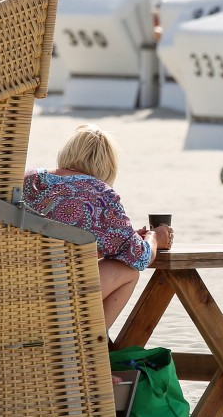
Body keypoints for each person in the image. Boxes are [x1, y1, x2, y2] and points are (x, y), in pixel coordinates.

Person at [22, 124, 172, 329]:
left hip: (17, 290)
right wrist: (155, 236)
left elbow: (54, 241)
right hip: (59, 298)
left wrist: (122, 239)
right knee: (128, 271)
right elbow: (140, 257)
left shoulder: (30, 180)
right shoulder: (101, 194)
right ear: (107, 165)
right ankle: (90, 344)